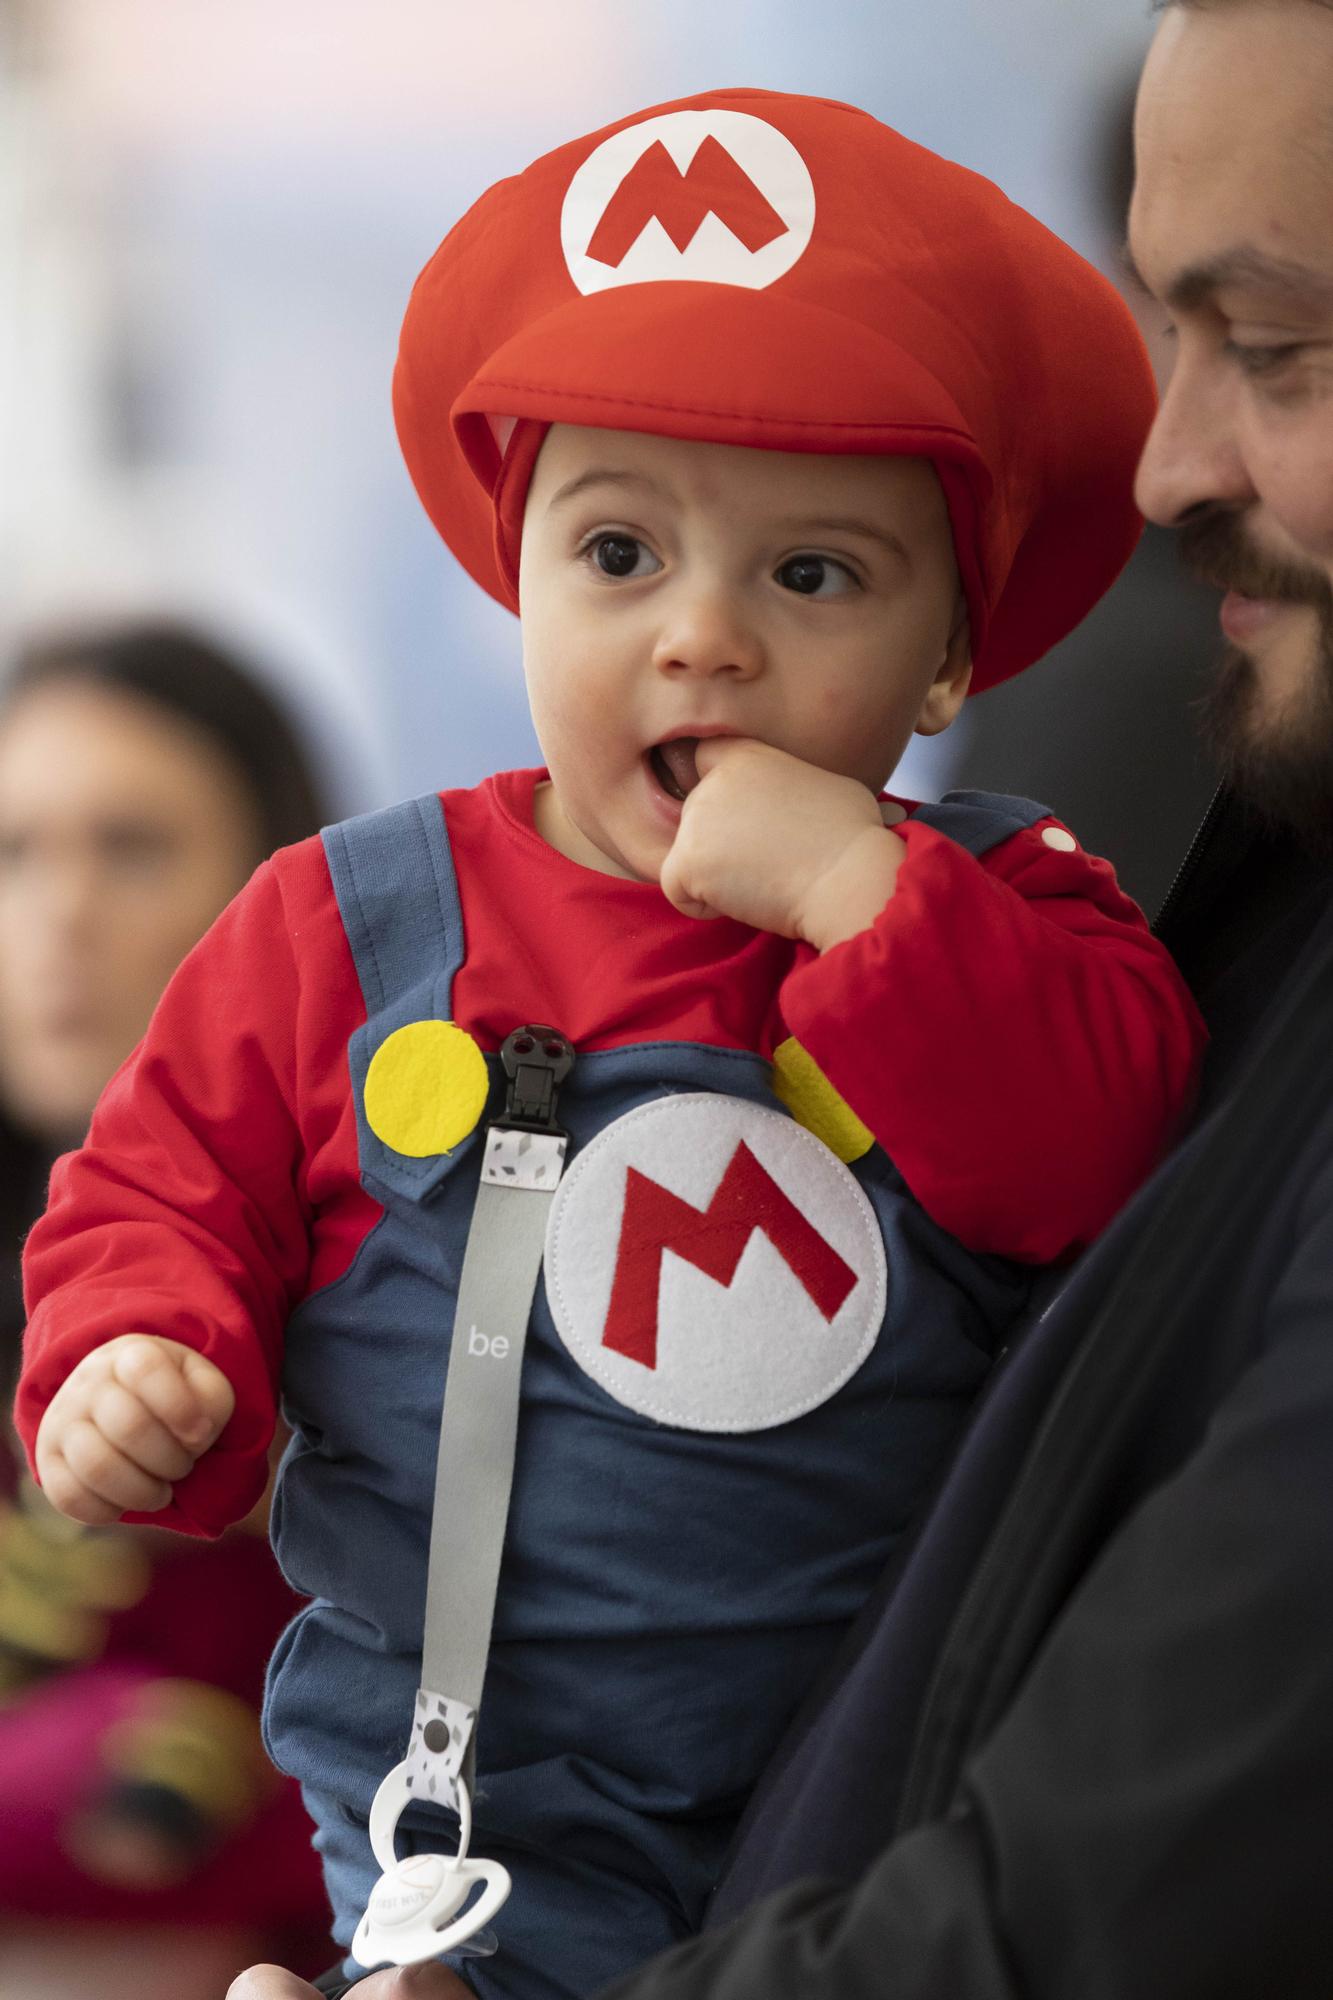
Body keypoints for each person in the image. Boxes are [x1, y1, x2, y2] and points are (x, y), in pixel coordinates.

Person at [14, 93, 1209, 2000]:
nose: (703, 642)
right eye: (618, 554)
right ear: (516, 575)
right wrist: (141, 1356)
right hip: (474, 1786)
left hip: (867, 1761)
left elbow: (1094, 1162)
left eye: (812, 576)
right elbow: (157, 1188)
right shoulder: (346, 926)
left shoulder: (1024, 910)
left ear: (947, 663)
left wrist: (863, 904)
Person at [0, 621, 334, 1996]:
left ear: (274, 897)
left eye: (131, 846)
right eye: (14, 853)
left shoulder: (387, 1273)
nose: (59, 911)